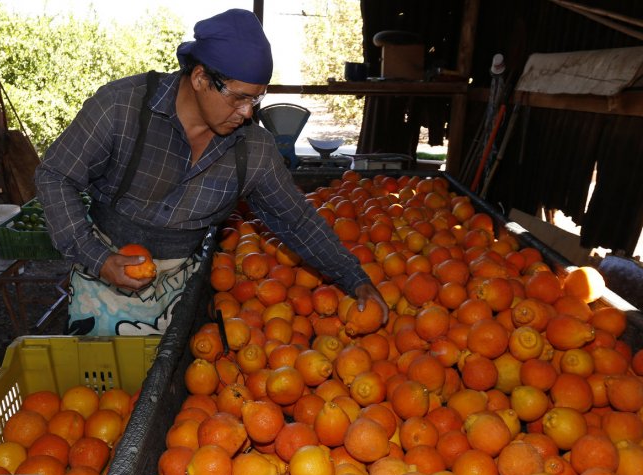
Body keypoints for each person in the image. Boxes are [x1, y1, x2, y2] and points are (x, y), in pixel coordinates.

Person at [35, 8, 387, 336]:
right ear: (201, 78)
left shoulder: (253, 150)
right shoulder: (122, 108)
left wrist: (353, 278)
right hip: (102, 273)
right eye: (239, 98)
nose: (248, 113)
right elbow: (55, 176)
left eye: (257, 100)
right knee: (101, 386)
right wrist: (97, 258)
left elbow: (296, 221)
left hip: (180, 287)